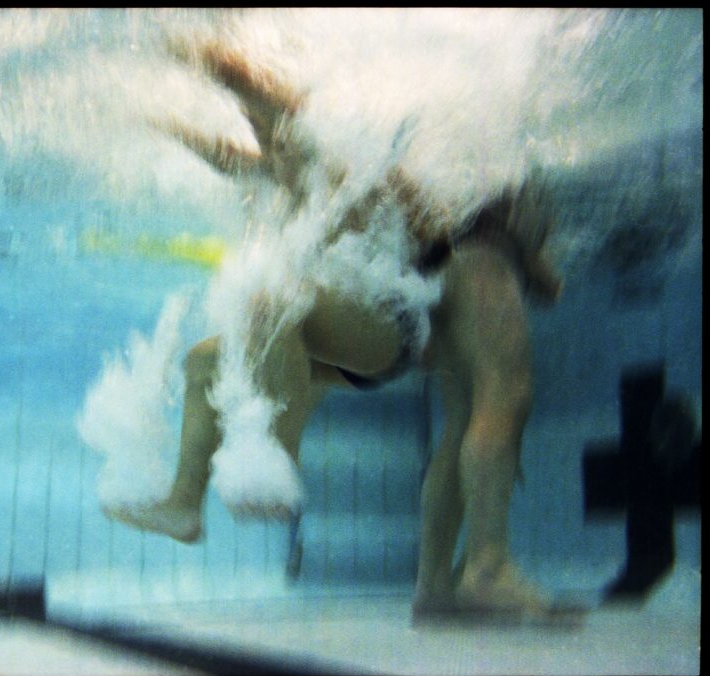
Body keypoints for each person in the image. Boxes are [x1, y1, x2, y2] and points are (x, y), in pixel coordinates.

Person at [105, 36, 576, 625]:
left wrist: (188, 47)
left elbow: (261, 101)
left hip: (389, 331)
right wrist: (157, 120)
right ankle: (184, 503)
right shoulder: (291, 170)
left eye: (268, 130)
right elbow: (228, 156)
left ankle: (276, 454)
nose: (259, 151)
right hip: (341, 339)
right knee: (205, 359)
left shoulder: (346, 169)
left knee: (269, 298)